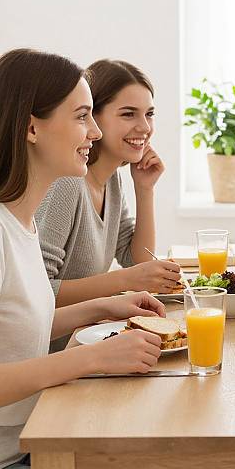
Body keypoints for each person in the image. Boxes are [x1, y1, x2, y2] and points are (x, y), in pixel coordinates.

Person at [0, 48, 203, 469]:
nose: (96, 133)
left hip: (30, 435)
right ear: (30, 127)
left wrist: (104, 306)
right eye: (84, 116)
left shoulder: (19, 222)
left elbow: (17, 326)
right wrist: (91, 358)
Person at [36, 59, 181, 309]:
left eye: (149, 114)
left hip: (91, 331)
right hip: (61, 344)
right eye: (128, 114)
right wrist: (124, 280)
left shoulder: (111, 179)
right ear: (93, 117)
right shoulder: (67, 183)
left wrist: (144, 189)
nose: (144, 127)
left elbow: (136, 261)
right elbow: (38, 290)